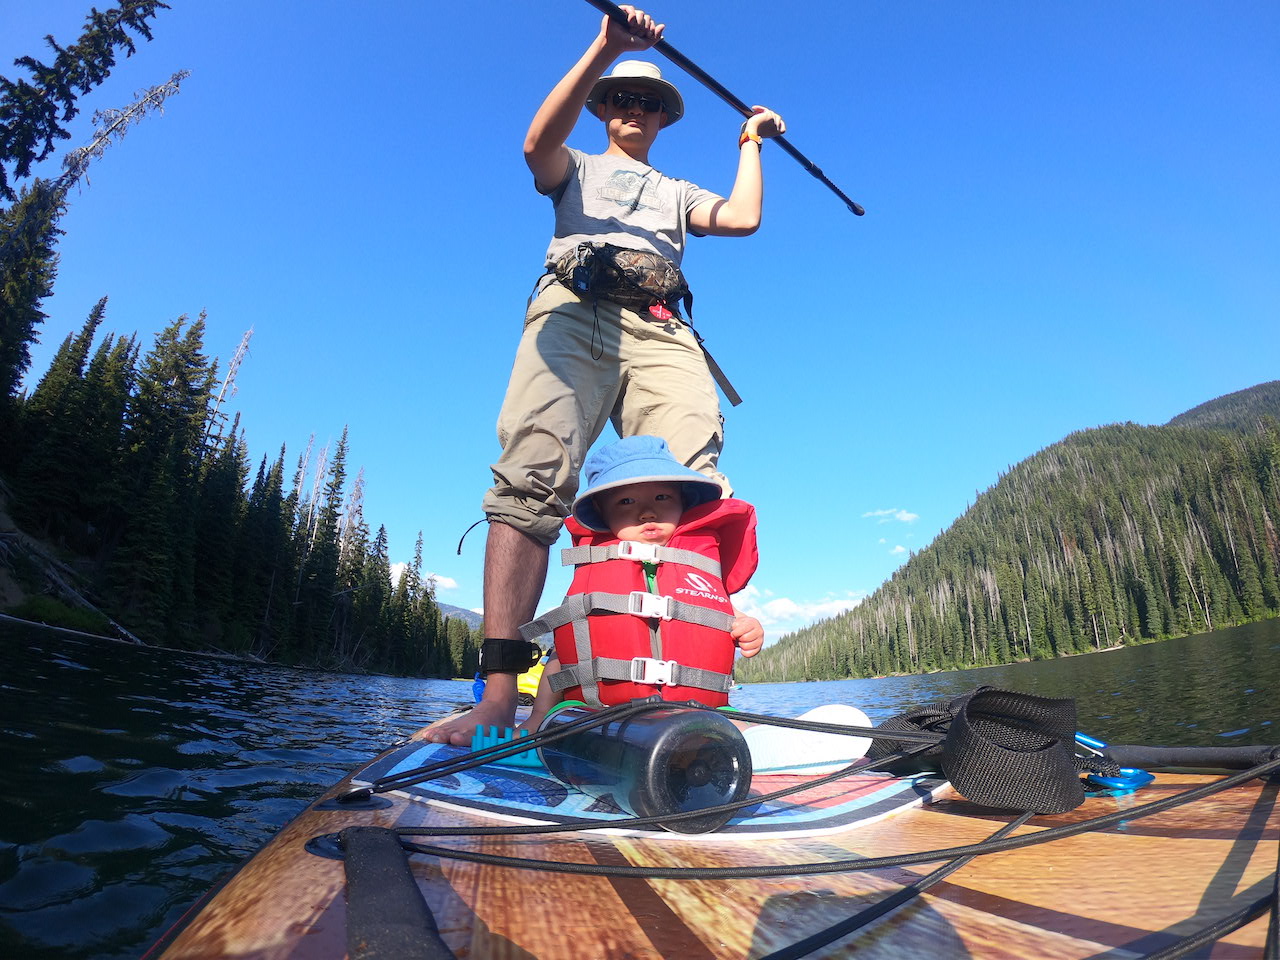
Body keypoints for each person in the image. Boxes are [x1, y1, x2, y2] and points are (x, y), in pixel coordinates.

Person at [427, 5, 784, 745]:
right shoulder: (578, 167)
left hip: (662, 328)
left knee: (691, 485)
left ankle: (678, 690)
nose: (633, 108)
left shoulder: (678, 192)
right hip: (572, 313)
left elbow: (744, 218)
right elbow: (536, 145)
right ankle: (499, 697)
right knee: (532, 478)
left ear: (664, 117)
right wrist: (605, 45)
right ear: (601, 107)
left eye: (648, 101)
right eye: (621, 97)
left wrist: (750, 142)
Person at [522, 435, 764, 731]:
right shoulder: (594, 578)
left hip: (700, 713)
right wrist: (537, 717)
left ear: (683, 501)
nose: (647, 512)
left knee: (745, 730)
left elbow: (726, 619)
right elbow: (561, 658)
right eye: (626, 501)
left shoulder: (698, 571)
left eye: (662, 497)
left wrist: (748, 629)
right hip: (605, 716)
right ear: (600, 511)